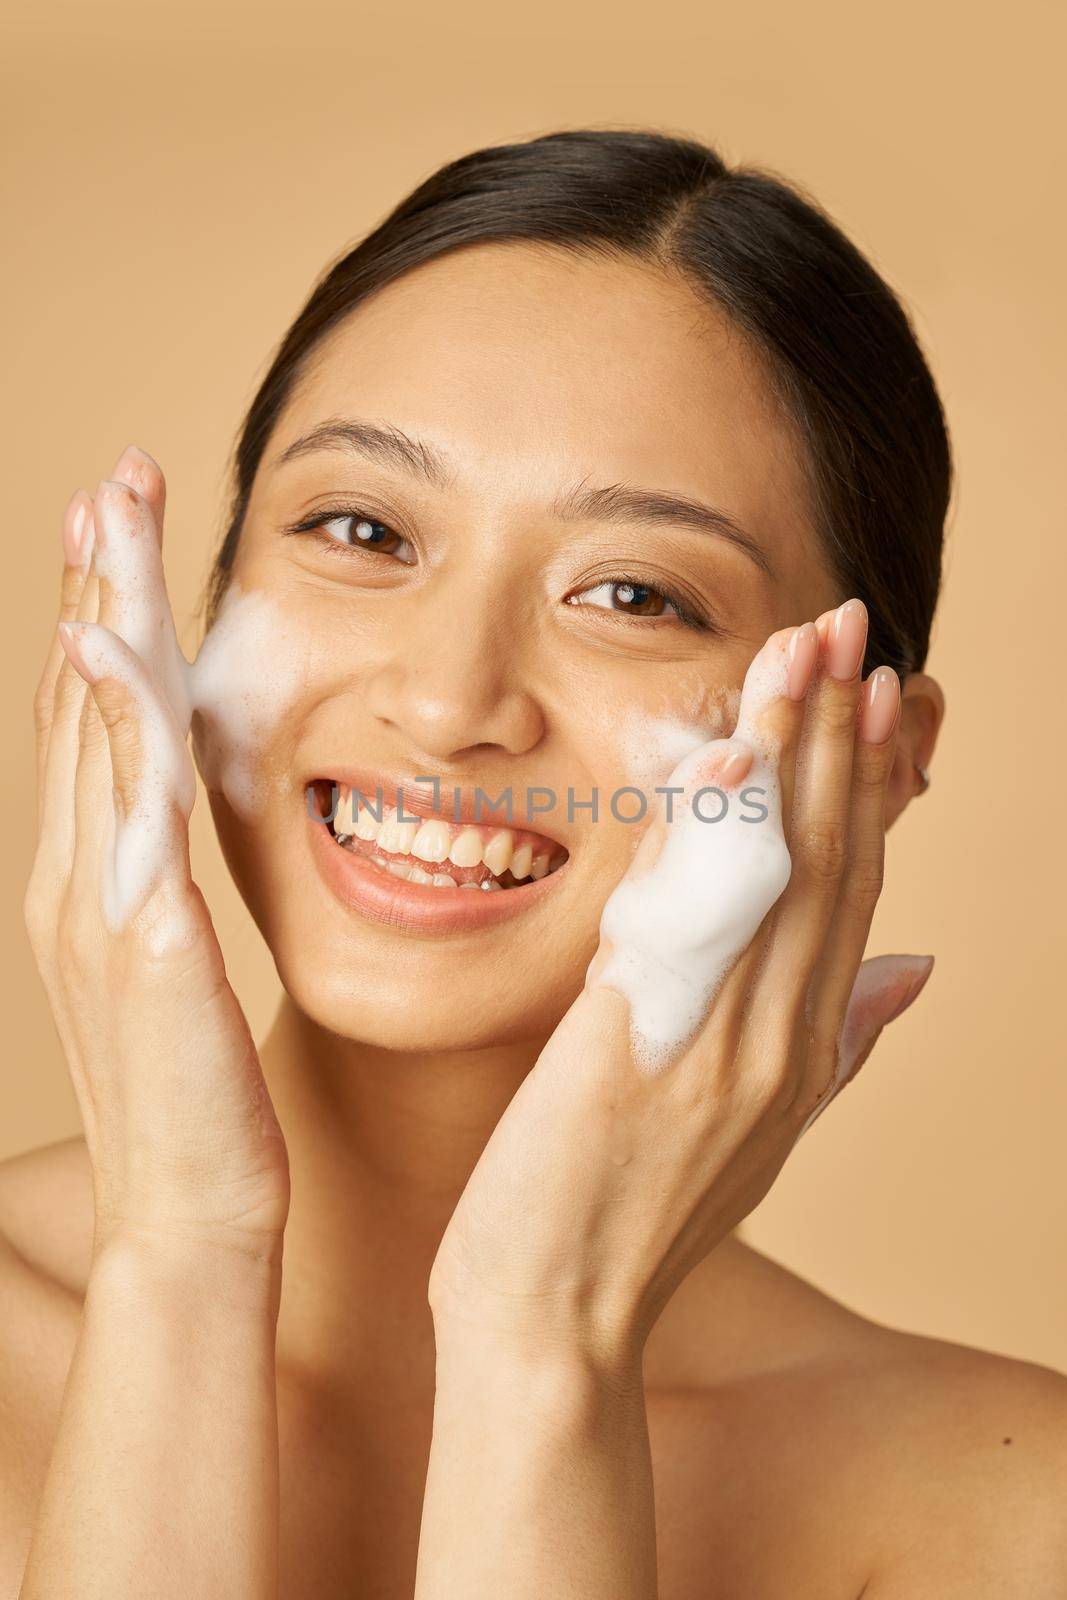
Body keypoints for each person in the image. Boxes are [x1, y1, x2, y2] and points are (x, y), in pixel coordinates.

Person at [5, 128, 1065, 1598]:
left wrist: (541, 1339)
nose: (449, 705)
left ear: (868, 756)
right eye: (361, 529)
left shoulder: (1006, 1515)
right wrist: (180, 1258)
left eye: (633, 594)